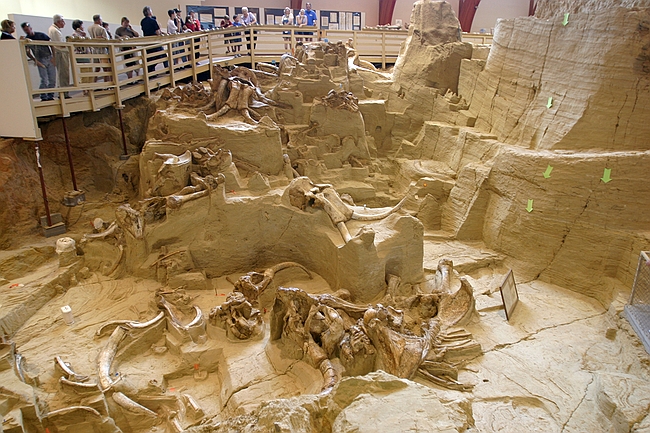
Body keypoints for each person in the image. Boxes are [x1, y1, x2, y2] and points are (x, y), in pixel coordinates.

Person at [21, 22, 55, 100]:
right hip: (40, 59)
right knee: (44, 79)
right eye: (25, 30)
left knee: (52, 79)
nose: (27, 31)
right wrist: (35, 60)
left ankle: (51, 95)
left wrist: (54, 57)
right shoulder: (27, 39)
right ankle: (43, 96)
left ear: (30, 28)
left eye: (27, 29)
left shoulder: (41, 35)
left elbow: (51, 45)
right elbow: (27, 52)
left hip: (49, 57)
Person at [49, 14, 70, 97]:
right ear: (58, 22)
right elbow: (61, 45)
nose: (64, 23)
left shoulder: (53, 29)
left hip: (60, 52)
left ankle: (64, 93)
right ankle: (64, 94)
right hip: (60, 53)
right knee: (63, 73)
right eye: (62, 21)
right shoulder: (55, 30)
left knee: (63, 73)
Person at [141, 6, 168, 73]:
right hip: (155, 41)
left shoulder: (142, 21)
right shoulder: (153, 21)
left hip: (147, 42)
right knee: (163, 55)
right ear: (150, 12)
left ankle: (150, 72)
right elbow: (158, 32)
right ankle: (167, 70)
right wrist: (159, 27)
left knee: (150, 58)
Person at [88, 14, 112, 83]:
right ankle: (107, 84)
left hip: (94, 50)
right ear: (99, 20)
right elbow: (107, 39)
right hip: (102, 50)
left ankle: (94, 83)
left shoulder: (89, 28)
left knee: (97, 68)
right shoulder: (101, 29)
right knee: (106, 68)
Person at [69, 20, 93, 86]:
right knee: (85, 72)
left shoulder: (83, 34)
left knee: (90, 72)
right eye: (82, 25)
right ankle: (85, 87)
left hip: (87, 54)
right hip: (81, 54)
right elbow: (78, 45)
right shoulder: (75, 35)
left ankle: (89, 87)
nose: (83, 27)